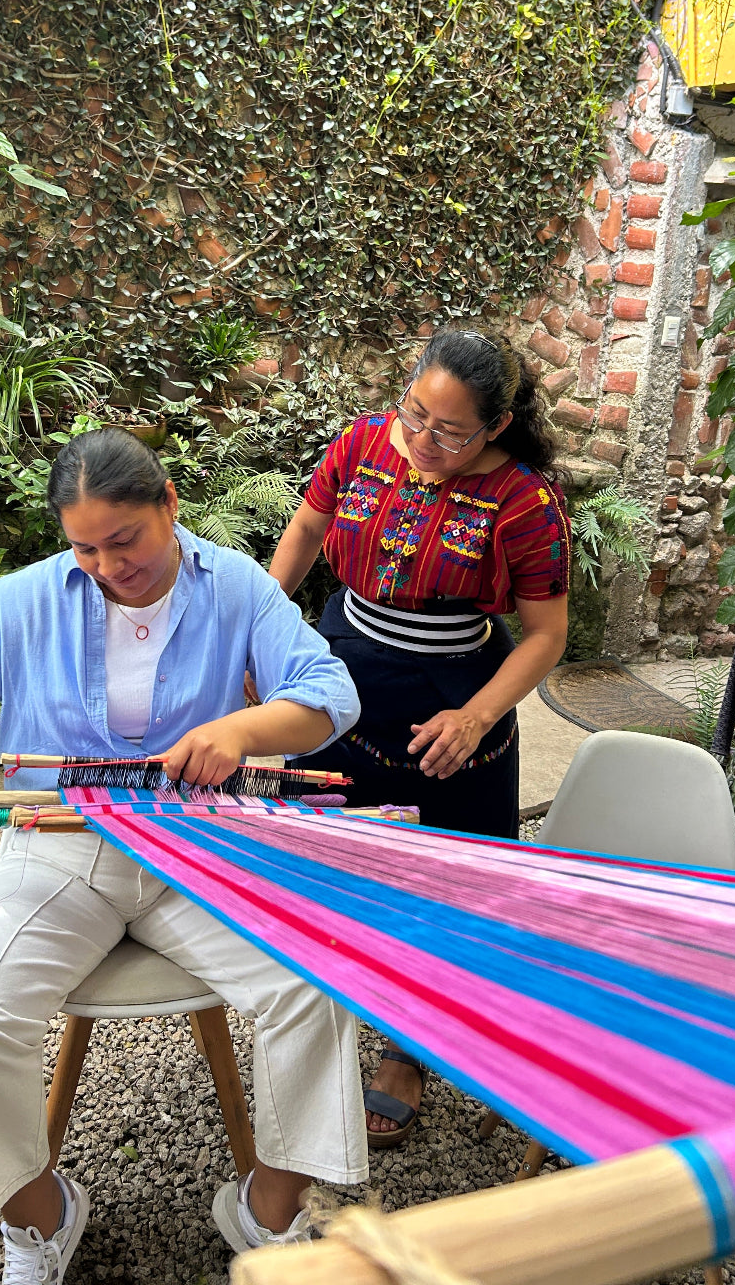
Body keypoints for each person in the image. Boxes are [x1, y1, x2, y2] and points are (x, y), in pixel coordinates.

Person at [0, 427, 367, 1284]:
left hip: (205, 845)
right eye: (85, 548)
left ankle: (267, 1208)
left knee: (323, 980)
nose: (108, 565)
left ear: (169, 504)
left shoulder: (240, 589)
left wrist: (238, 731)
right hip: (61, 847)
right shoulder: (30, 598)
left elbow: (330, 695)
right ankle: (40, 1218)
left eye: (126, 541)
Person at [267, 327, 570, 1147]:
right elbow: (303, 533)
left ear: (496, 427)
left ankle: (409, 1048)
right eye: (415, 416)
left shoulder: (525, 503)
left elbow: (546, 634)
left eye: (450, 432)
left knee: (451, 877)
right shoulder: (364, 443)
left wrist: (476, 718)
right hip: (344, 670)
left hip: (456, 692)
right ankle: (309, 1014)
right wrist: (257, 633)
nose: (421, 442)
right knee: (317, 849)